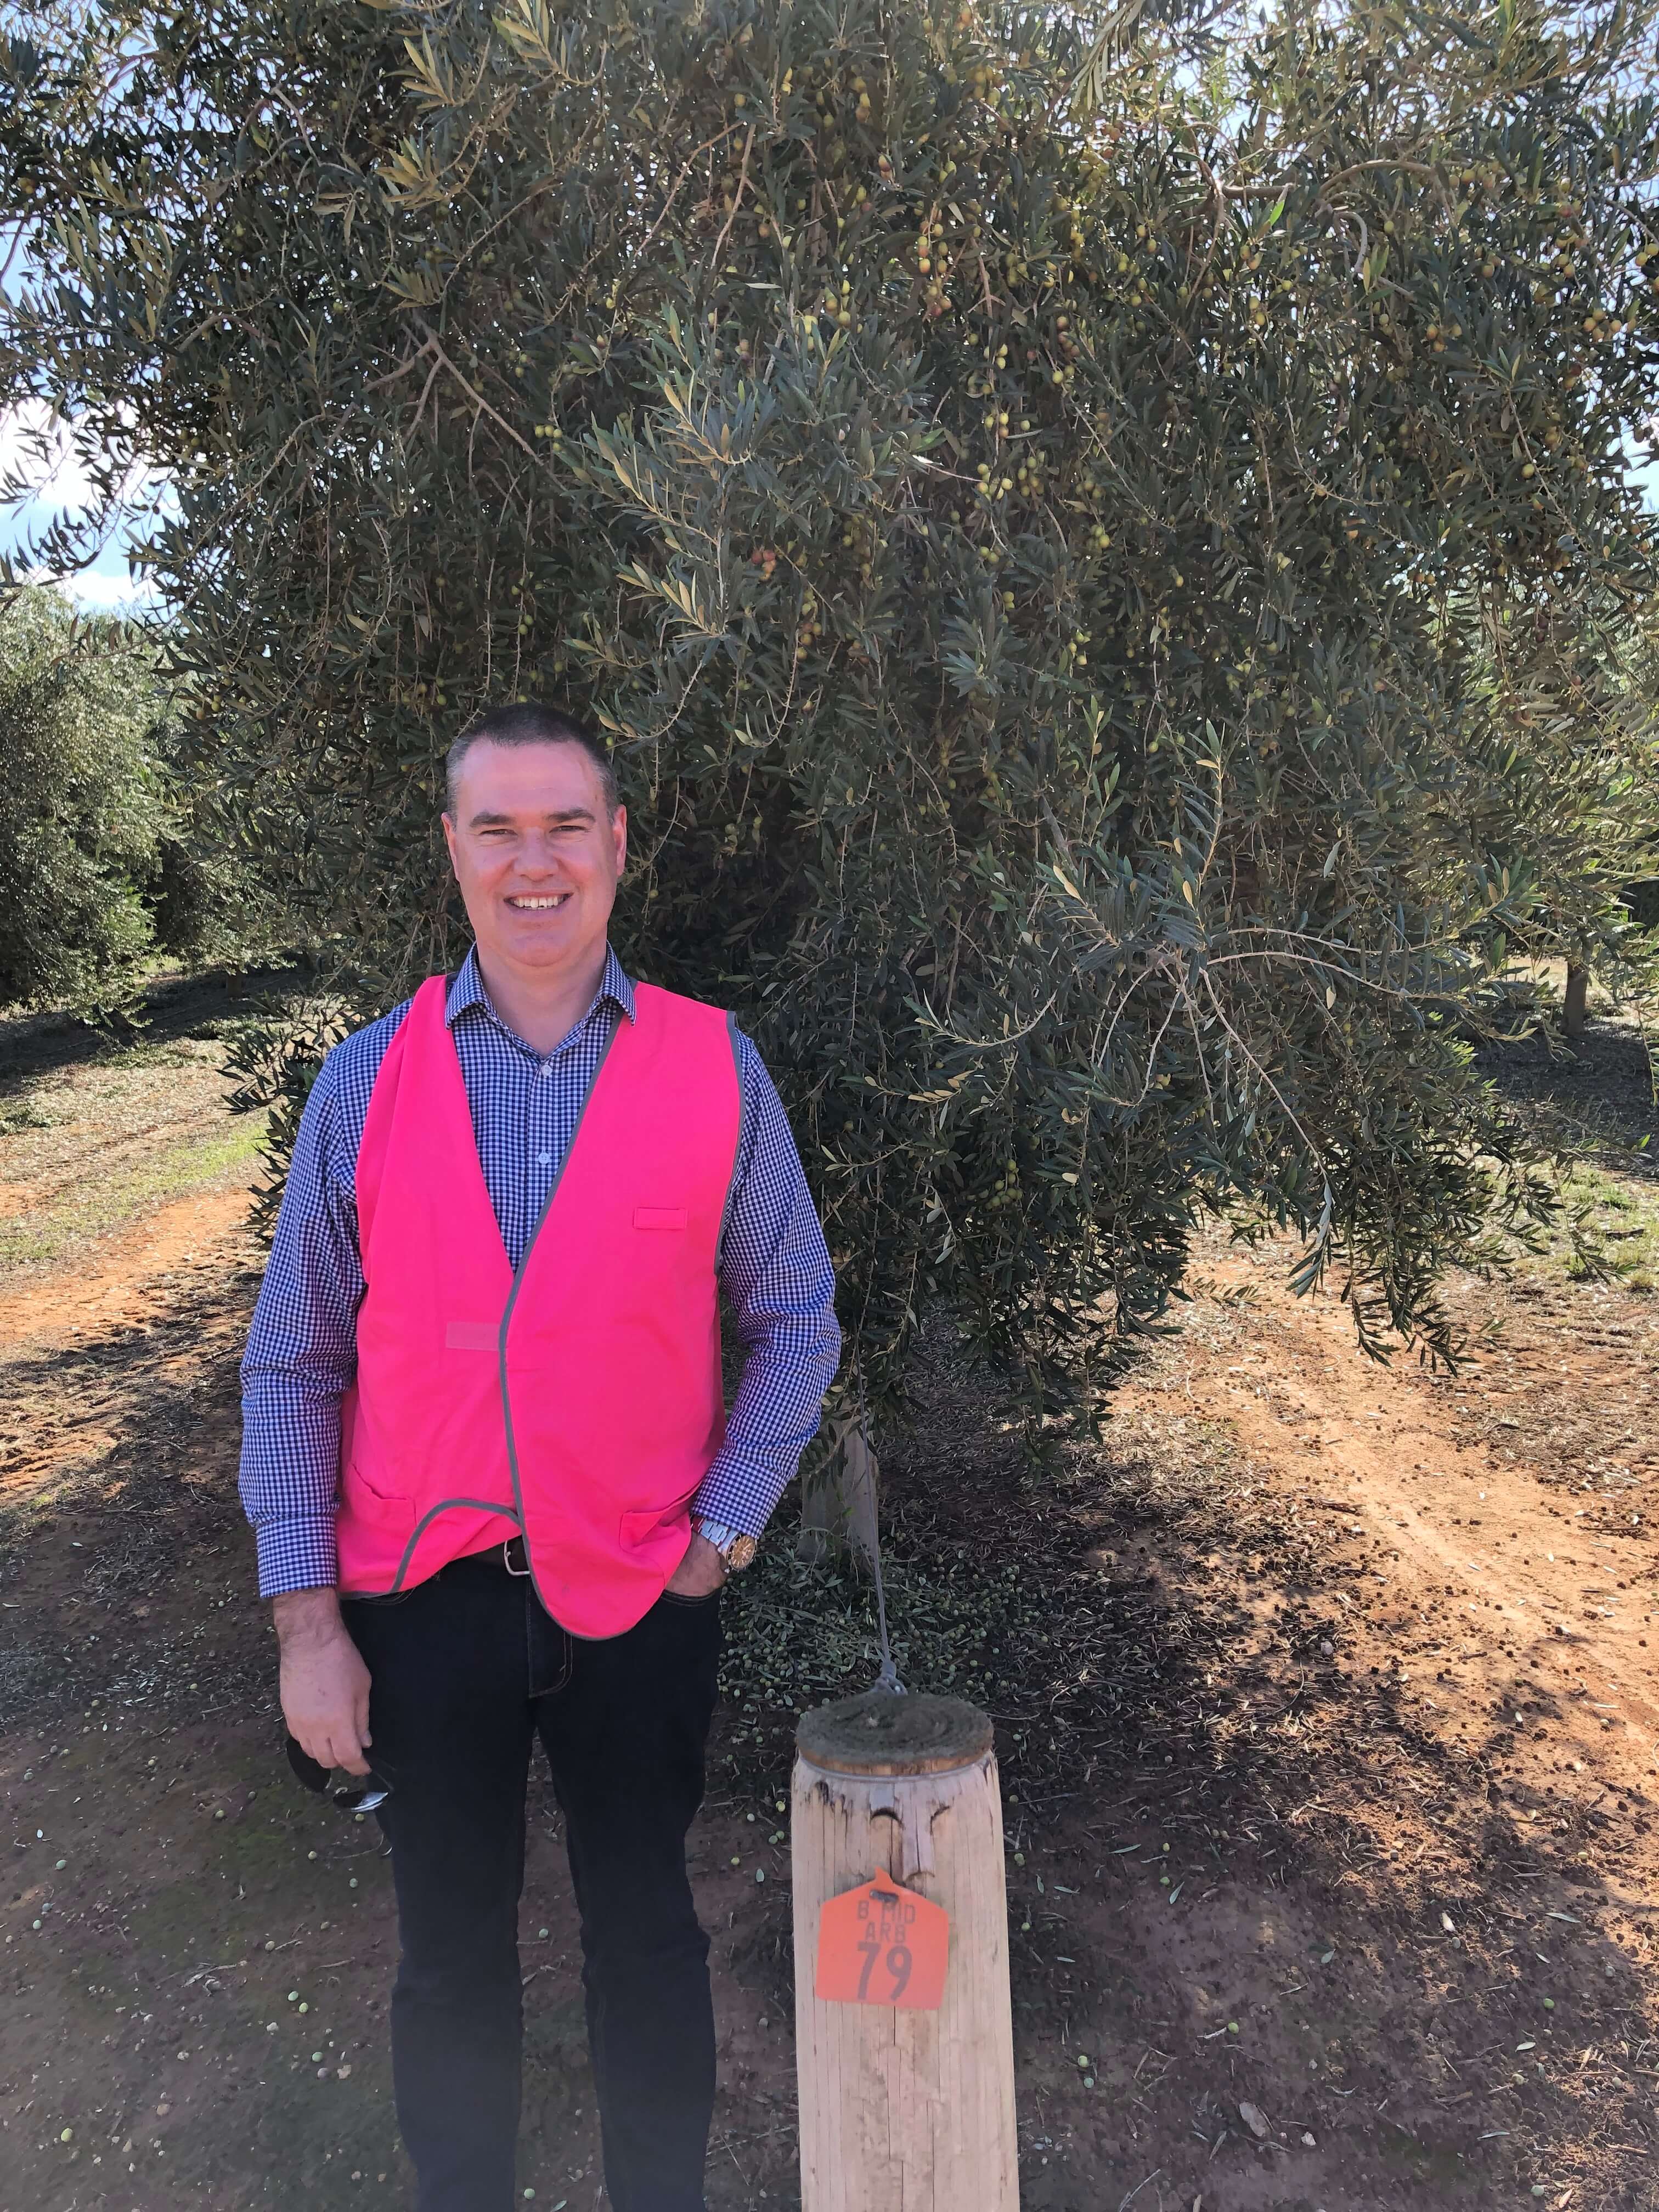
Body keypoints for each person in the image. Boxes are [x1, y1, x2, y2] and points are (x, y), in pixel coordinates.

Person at [239, 701, 841, 2212]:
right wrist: (307, 1624)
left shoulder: (716, 1067)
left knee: (646, 1937)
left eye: (567, 823)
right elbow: (295, 1359)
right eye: (497, 827)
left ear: (619, 845)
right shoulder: (361, 1086)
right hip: (417, 1602)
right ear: (452, 851)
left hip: (643, 1594)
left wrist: (727, 1535)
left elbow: (797, 1319)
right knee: (448, 1956)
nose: (535, 862)